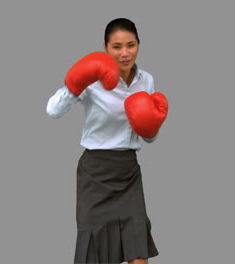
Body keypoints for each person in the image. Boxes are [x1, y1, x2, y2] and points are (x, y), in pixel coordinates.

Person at [46, 18, 168, 264]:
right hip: (96, 172)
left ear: (139, 45)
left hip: (128, 172)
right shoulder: (93, 80)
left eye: (131, 45)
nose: (125, 53)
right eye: (117, 46)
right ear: (105, 48)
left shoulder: (147, 80)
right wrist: (76, 83)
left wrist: (151, 126)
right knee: (96, 253)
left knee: (139, 253)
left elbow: (148, 136)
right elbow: (52, 110)